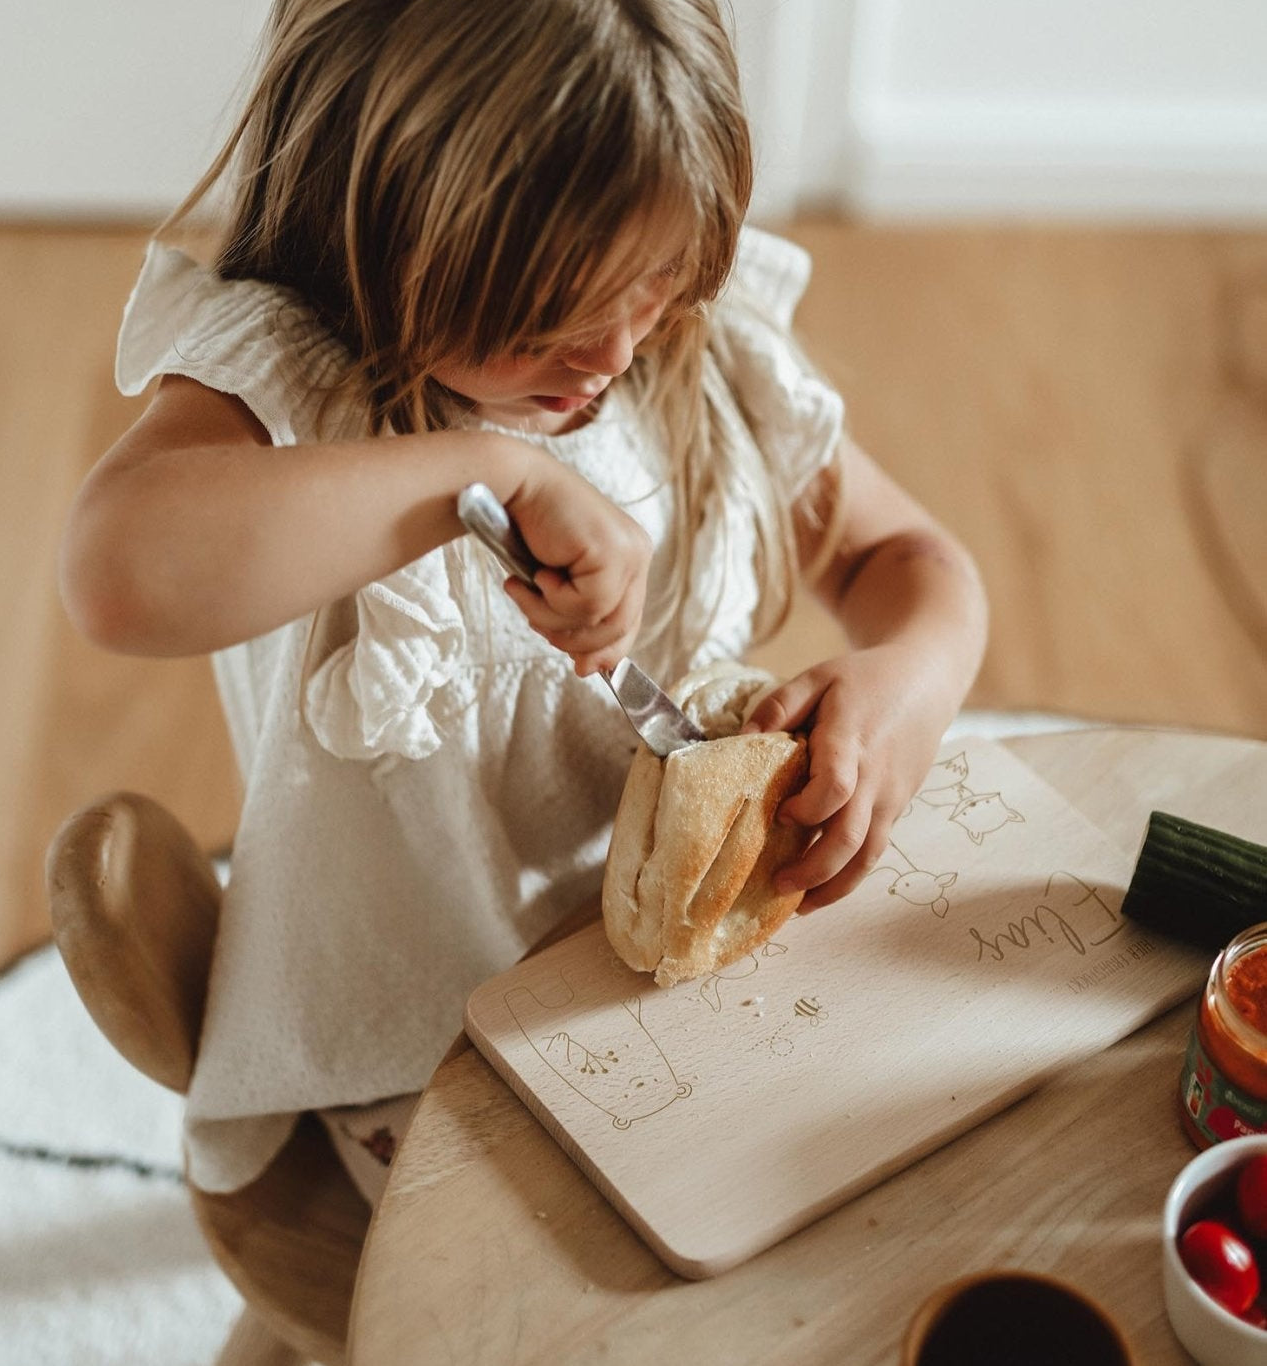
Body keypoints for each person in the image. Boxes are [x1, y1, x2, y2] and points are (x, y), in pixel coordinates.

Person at [59, 0, 987, 1202]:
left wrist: (902, 685)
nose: (609, 356)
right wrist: (478, 471)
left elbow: (912, 562)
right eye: (546, 320)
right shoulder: (299, 382)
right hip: (418, 1047)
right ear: (376, 220)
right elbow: (117, 574)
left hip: (668, 985)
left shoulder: (690, 355)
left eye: (653, 283)